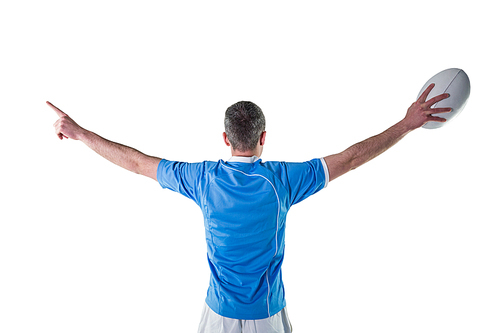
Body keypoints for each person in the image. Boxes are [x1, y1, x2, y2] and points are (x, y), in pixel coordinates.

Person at [48, 83, 450, 333]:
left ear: (225, 137)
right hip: (268, 317)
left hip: (217, 315)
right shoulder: (283, 181)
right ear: (263, 138)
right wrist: (405, 124)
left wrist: (79, 132)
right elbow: (349, 158)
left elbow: (135, 162)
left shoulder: (201, 179)